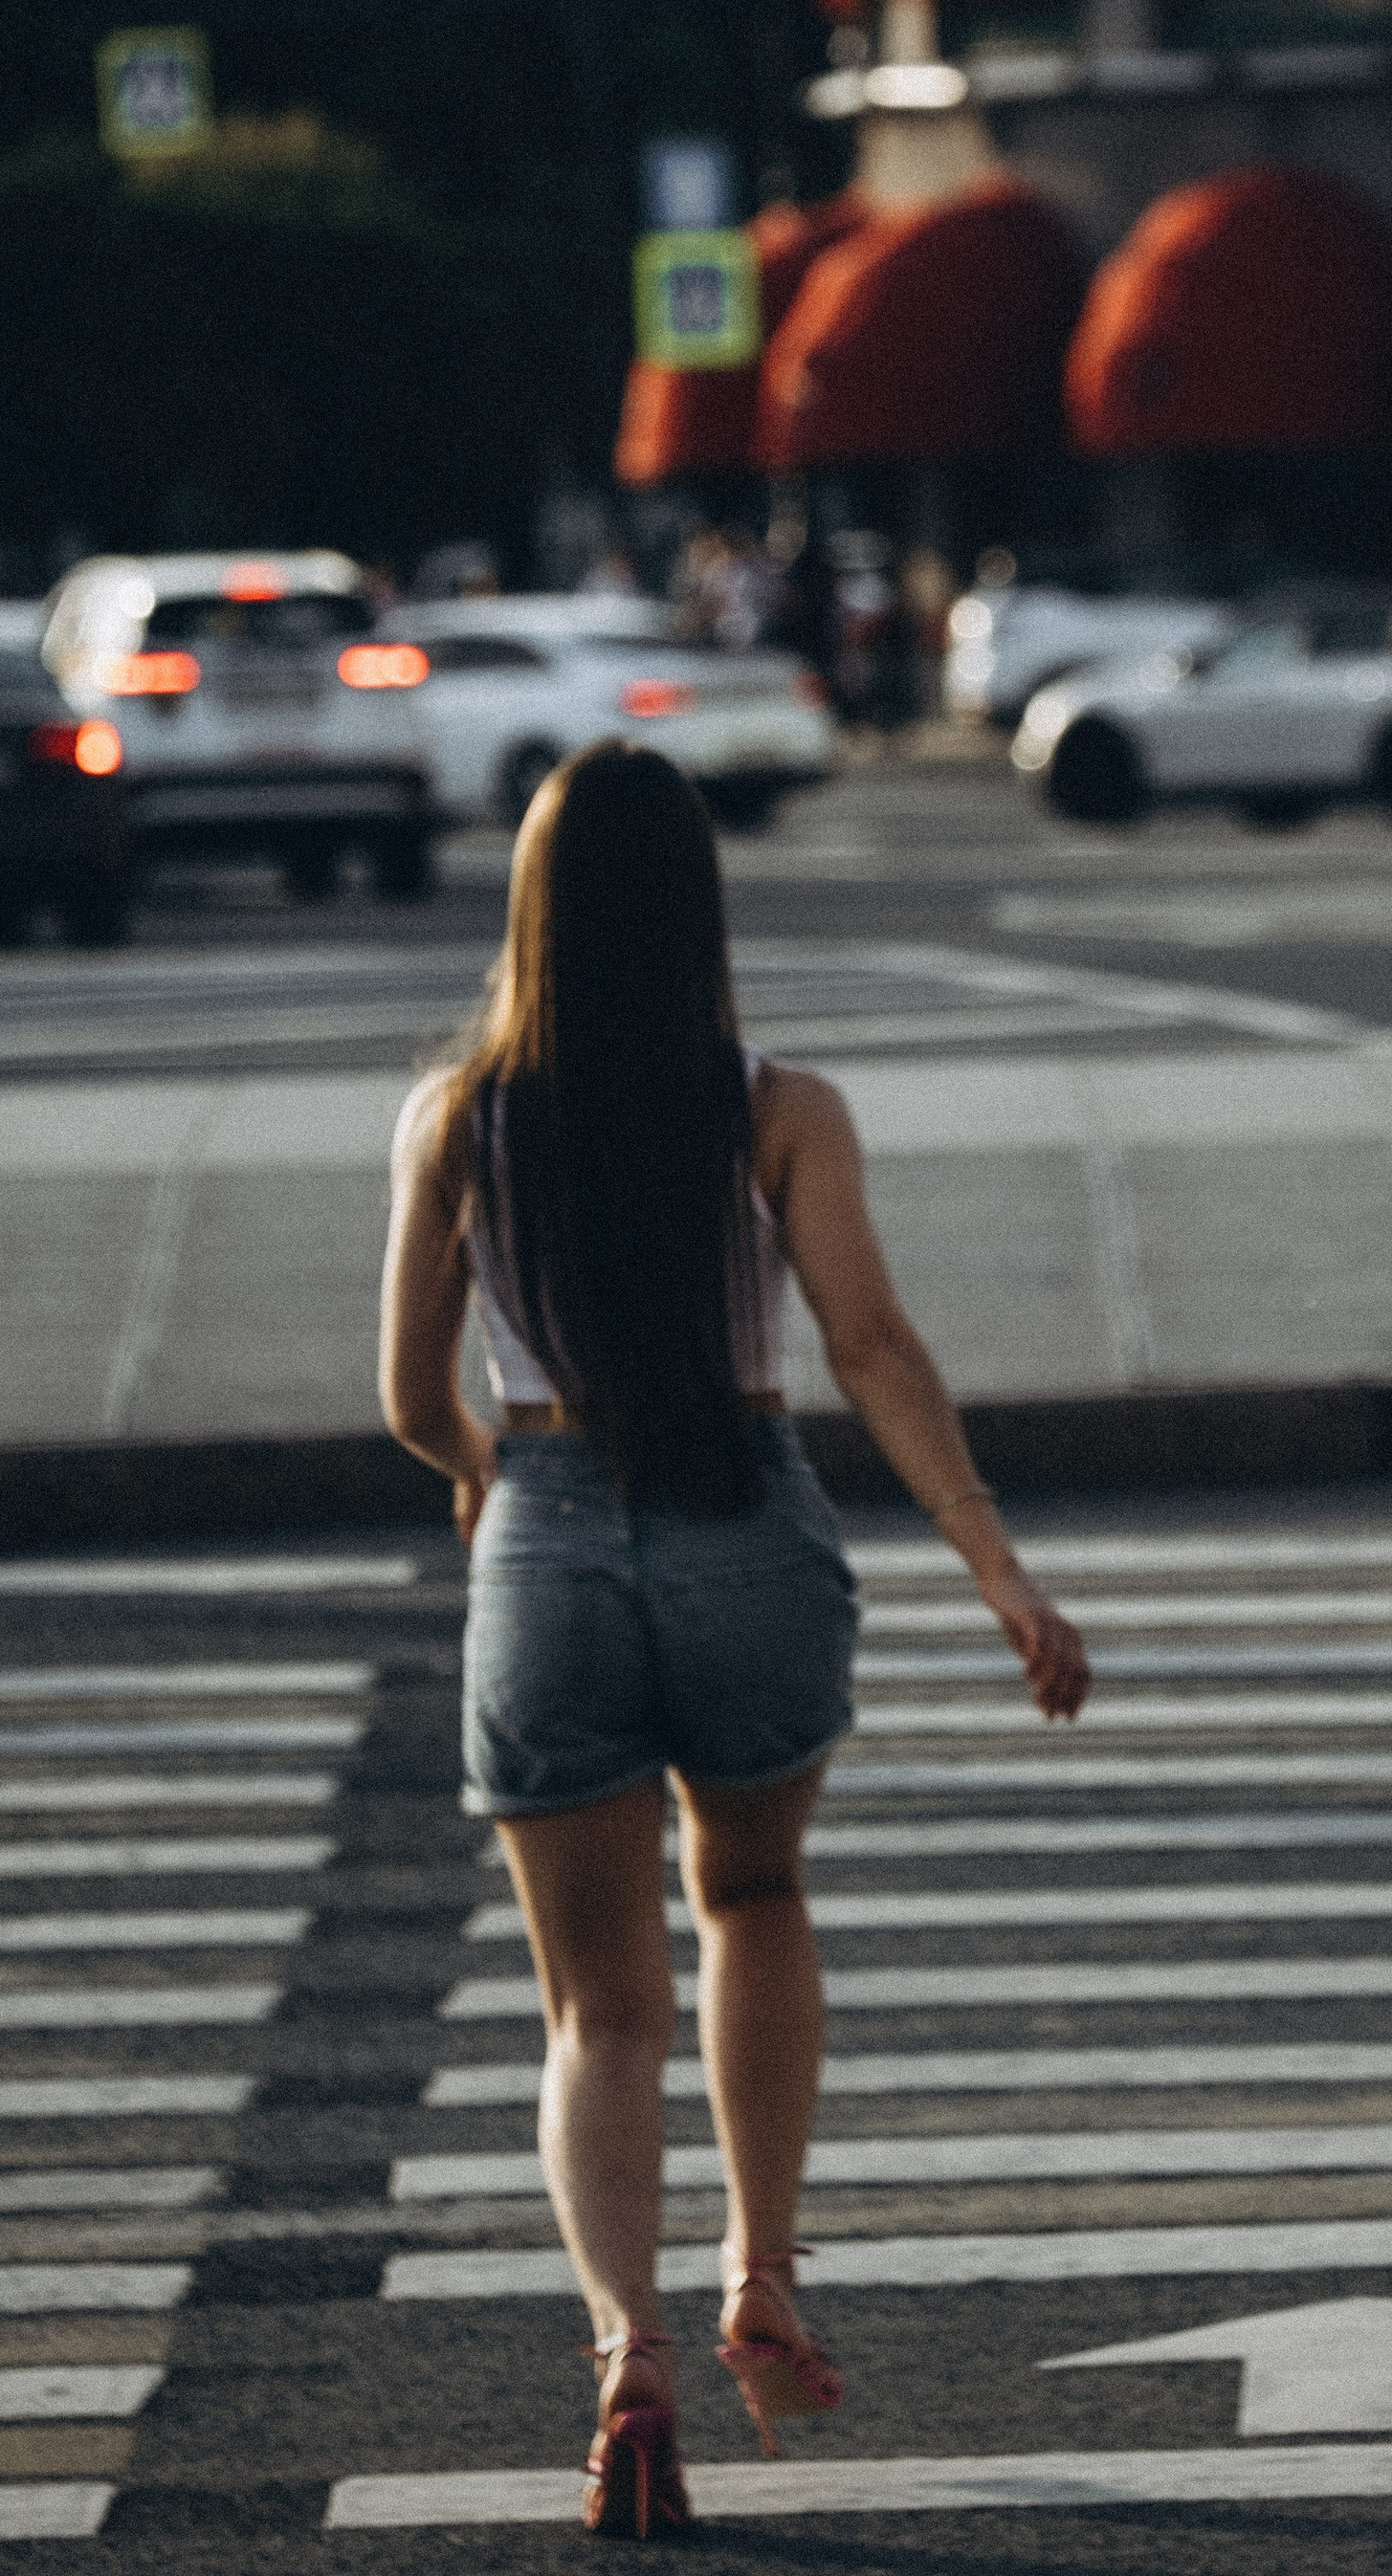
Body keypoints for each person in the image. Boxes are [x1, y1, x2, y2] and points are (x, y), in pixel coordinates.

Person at [379, 742, 1090, 2538]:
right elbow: (870, 1347)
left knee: (594, 2008)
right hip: (744, 1525)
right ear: (698, 908)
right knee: (753, 1903)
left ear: (531, 906)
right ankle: (760, 2263)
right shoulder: (782, 1106)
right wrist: (999, 1571)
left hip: (546, 1536)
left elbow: (404, 1392)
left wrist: (487, 1474)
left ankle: (628, 2353)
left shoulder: (458, 1114)